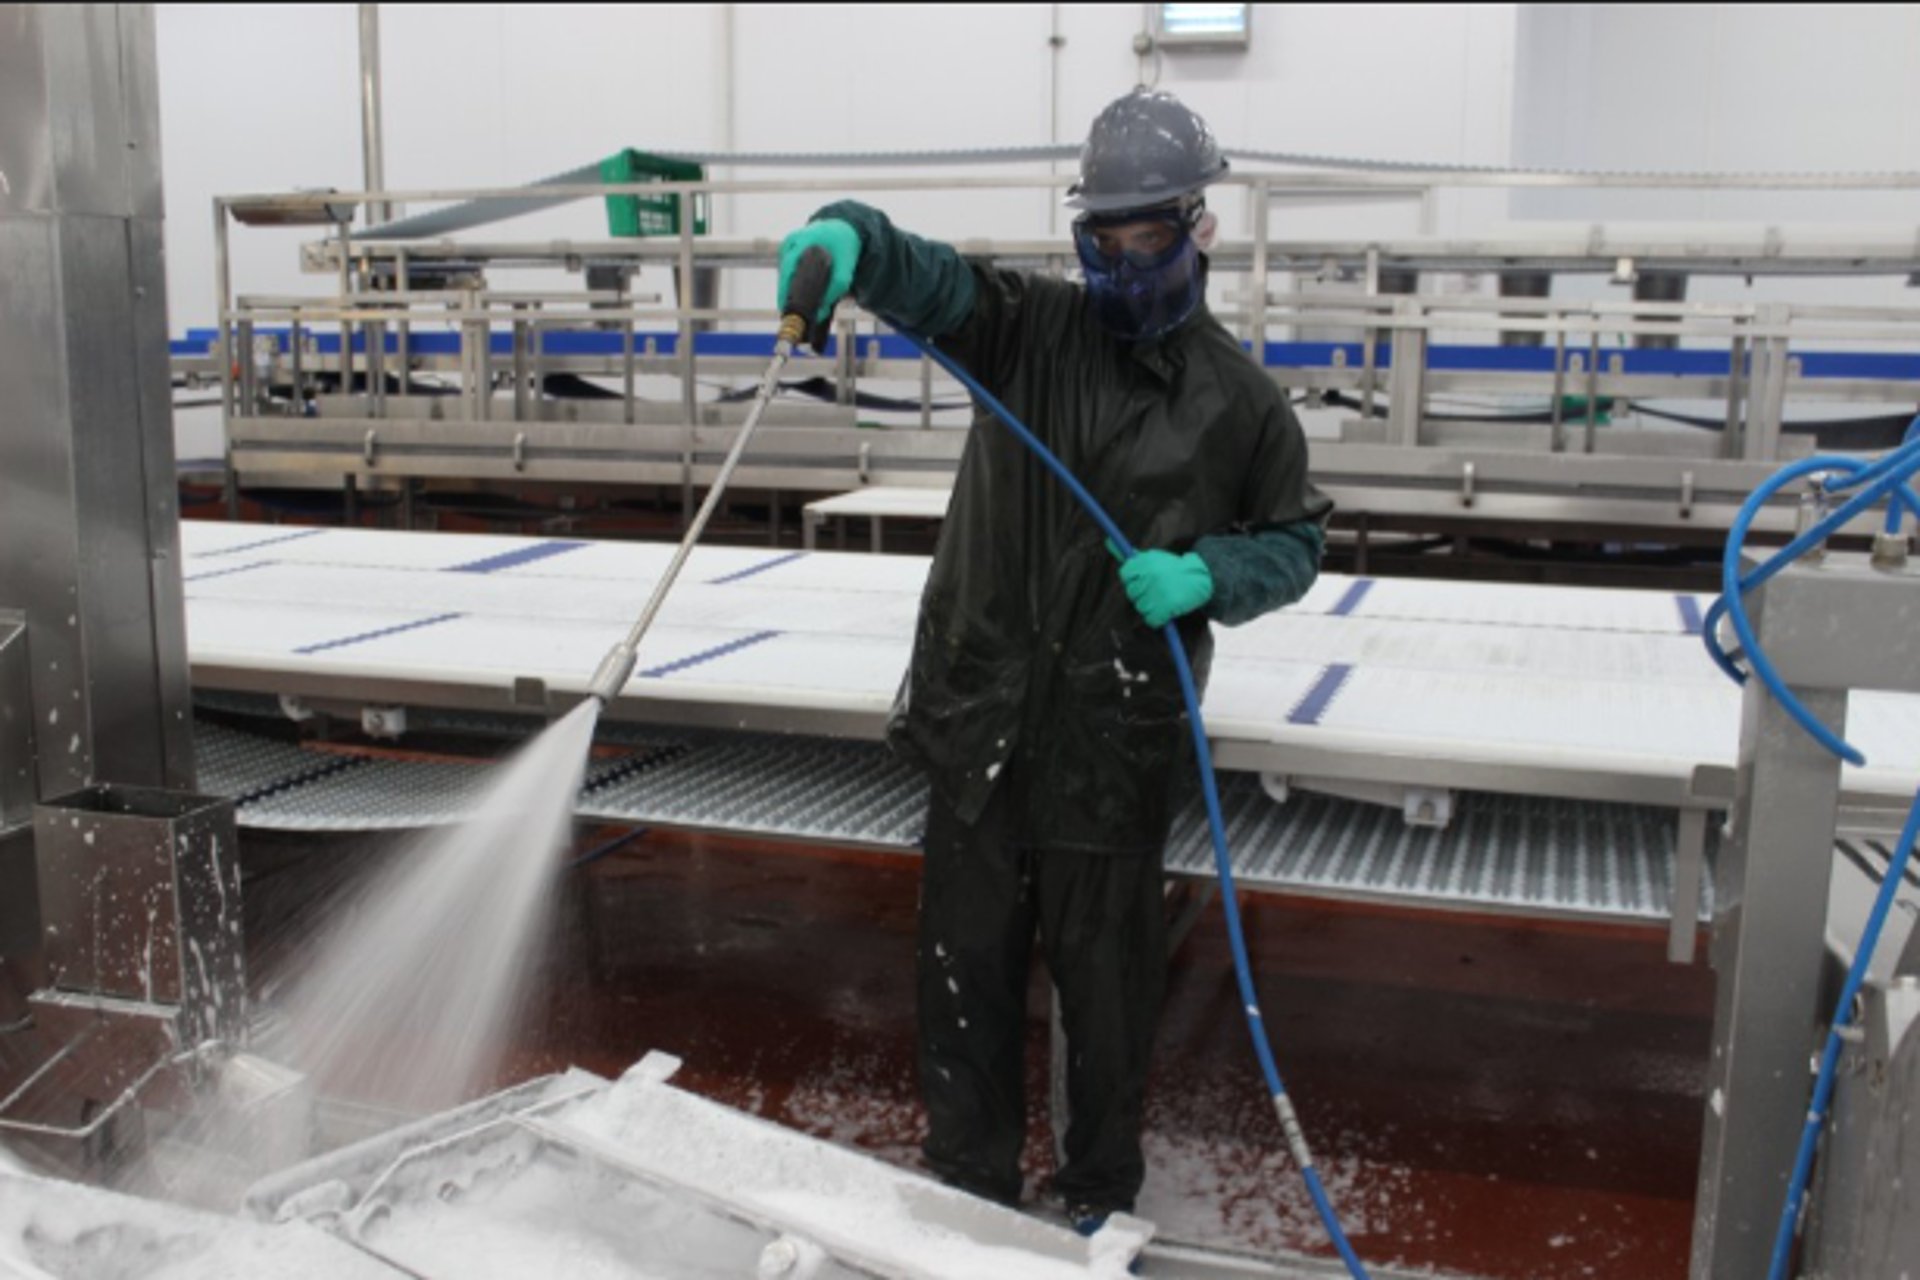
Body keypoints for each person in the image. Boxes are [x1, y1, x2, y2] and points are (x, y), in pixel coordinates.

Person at [776, 88, 1331, 1230]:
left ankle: (1094, 1199)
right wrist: (850, 238)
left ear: (1199, 229)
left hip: (1111, 739)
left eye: (1151, 242)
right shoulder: (1025, 330)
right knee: (964, 976)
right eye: (1106, 243)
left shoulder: (1241, 403)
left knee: (1108, 993)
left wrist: (1214, 574)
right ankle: (969, 1183)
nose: (1127, 268)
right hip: (981, 719)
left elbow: (1296, 538)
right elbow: (929, 279)